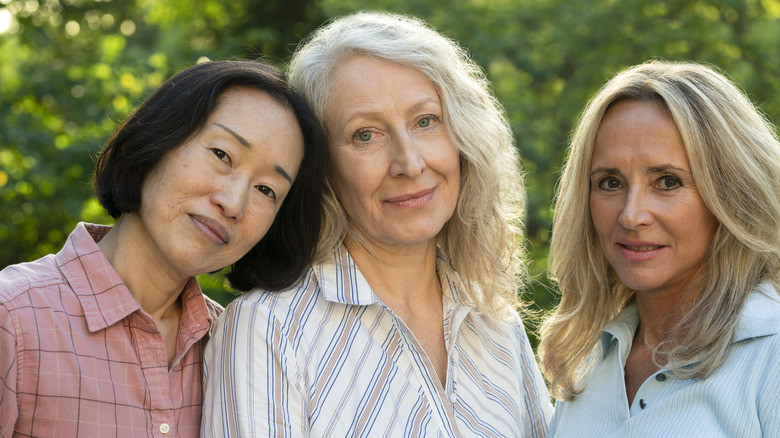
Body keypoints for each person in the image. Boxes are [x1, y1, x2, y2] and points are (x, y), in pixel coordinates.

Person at [202, 11, 552, 437]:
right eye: (366, 135)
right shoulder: (268, 330)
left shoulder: (496, 323)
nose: (410, 163)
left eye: (426, 122)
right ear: (322, 168)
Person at [0, 60, 328, 437]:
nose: (234, 203)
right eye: (222, 155)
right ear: (157, 140)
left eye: (267, 190)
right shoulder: (13, 320)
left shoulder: (236, 347)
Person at [539, 60, 780, 437]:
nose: (631, 215)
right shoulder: (587, 361)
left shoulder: (771, 355)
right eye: (609, 182)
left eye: (667, 182)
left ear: (730, 195)